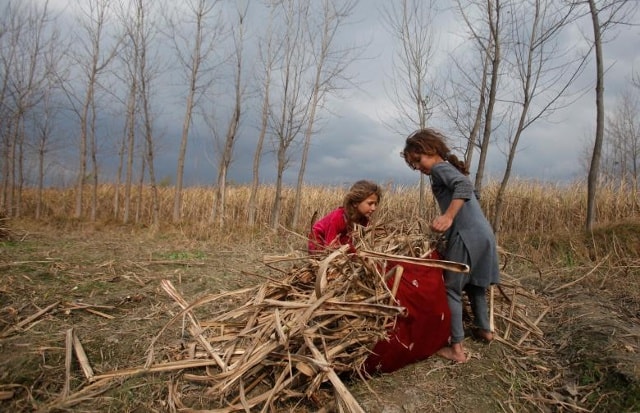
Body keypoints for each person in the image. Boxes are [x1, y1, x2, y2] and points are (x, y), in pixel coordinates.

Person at [401, 128, 500, 363]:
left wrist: (448, 217)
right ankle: (485, 330)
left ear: (430, 150)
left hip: (465, 235)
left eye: (417, 160)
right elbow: (473, 193)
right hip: (483, 233)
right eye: (413, 165)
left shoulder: (439, 168)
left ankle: (457, 349)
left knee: (451, 289)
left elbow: (464, 190)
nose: (418, 168)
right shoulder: (452, 169)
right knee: (476, 285)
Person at [308, 180, 381, 253]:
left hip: (342, 246)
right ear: (355, 202)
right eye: (370, 204)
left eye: (375, 204)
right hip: (319, 243)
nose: (373, 208)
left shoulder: (364, 219)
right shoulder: (338, 218)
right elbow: (330, 247)